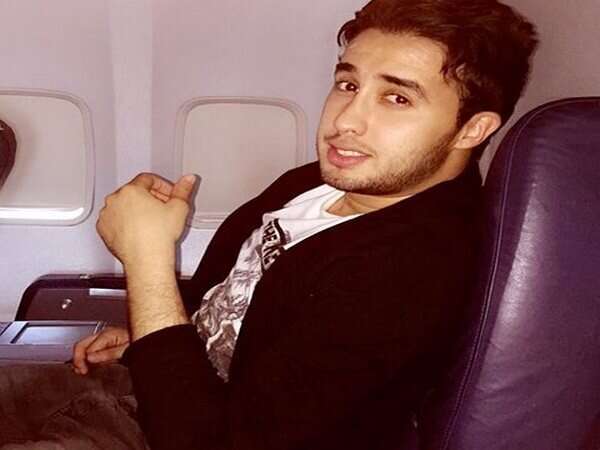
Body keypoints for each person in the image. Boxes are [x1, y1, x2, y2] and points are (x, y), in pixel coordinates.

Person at [72, 0, 536, 449]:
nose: (345, 121)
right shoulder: (318, 182)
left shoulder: (409, 272)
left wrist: (147, 260)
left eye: (397, 98)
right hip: (158, 392)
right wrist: (153, 335)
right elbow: (229, 297)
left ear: (472, 129)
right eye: (348, 84)